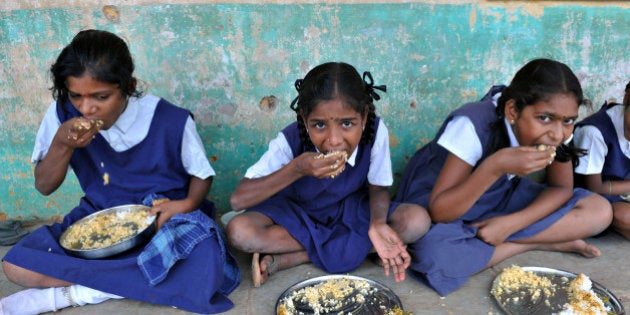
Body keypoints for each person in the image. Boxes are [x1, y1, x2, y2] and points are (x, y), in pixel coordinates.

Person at [1, 29, 239, 314]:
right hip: (98, 222)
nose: (86, 108)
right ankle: (129, 285)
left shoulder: (169, 119)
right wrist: (62, 145)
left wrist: (186, 205)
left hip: (164, 221)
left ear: (128, 86)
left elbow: (202, 174)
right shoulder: (62, 115)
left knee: (207, 261)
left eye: (101, 97)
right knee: (15, 265)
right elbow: (45, 185)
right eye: (76, 96)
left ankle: (75, 294)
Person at [394, 58, 613, 296]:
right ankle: (537, 242)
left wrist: (512, 224)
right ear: (512, 111)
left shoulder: (557, 129)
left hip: (499, 199)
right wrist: (494, 167)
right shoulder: (472, 123)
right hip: (442, 202)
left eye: (568, 121)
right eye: (544, 118)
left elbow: (561, 188)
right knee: (434, 255)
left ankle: (499, 240)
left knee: (599, 211)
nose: (558, 133)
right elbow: (440, 211)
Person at [225, 62, 431, 287]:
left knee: (416, 220)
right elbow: (238, 200)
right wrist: (296, 169)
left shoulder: (375, 132)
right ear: (304, 120)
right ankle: (355, 250)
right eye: (319, 125)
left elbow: (379, 187)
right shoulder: (291, 139)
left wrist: (378, 223)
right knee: (239, 231)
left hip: (352, 212)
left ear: (363, 117)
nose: (334, 139)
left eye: (347, 123)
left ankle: (296, 256)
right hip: (298, 214)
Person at [574, 81, 630, 239]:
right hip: (593, 195)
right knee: (625, 218)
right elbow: (594, 188)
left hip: (623, 191)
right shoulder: (594, 132)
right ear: (627, 98)